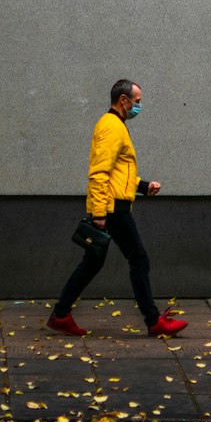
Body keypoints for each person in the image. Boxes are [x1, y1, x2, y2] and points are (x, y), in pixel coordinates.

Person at [47, 78, 187, 338]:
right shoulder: (111, 127)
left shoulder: (115, 125)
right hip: (113, 209)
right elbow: (99, 173)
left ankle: (61, 315)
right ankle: (154, 321)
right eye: (137, 101)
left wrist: (143, 186)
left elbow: (116, 173)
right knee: (139, 259)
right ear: (123, 100)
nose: (139, 106)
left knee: (92, 262)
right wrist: (99, 213)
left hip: (112, 204)